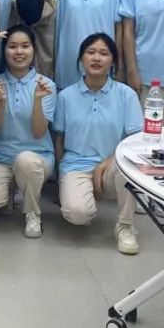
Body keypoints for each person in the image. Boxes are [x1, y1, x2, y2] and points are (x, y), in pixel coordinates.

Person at [54, 33, 143, 255]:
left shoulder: (126, 95)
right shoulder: (65, 96)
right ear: (81, 59)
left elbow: (135, 141)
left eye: (104, 53)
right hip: (76, 166)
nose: (96, 58)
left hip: (112, 167)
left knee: (128, 167)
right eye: (90, 52)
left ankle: (125, 226)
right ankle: (81, 196)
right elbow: (59, 140)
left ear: (113, 61)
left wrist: (108, 162)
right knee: (78, 215)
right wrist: (61, 177)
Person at [0, 25, 57, 239]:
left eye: (25, 46)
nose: (19, 52)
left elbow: (39, 132)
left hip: (37, 156)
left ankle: (33, 213)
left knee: (26, 161)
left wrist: (37, 100)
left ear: (33, 50)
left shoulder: (46, 85)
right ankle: (10, 189)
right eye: (12, 46)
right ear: (4, 51)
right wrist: (1, 102)